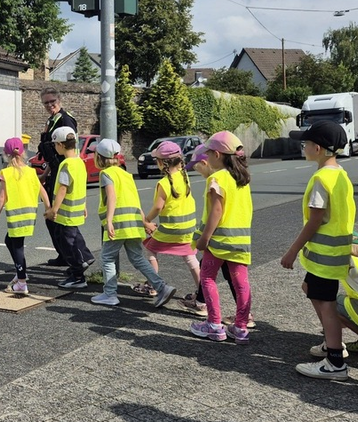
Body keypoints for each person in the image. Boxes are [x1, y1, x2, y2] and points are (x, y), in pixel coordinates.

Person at [282, 120, 355, 380]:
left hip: (324, 256)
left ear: (320, 149)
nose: (304, 146)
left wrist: (292, 251)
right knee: (312, 291)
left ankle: (335, 360)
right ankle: (331, 342)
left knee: (326, 304)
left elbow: (315, 220)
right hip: (336, 253)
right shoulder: (340, 174)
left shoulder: (321, 179)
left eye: (307, 143)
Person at [90, 138, 177, 308]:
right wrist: (144, 222)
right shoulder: (126, 174)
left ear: (99, 157)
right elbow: (135, 202)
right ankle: (161, 287)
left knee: (107, 257)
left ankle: (110, 294)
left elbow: (112, 197)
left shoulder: (106, 174)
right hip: (134, 224)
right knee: (137, 258)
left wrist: (108, 221)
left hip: (118, 223)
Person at [177, 145, 256, 329]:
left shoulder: (217, 178)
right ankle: (241, 327)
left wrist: (204, 237)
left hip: (219, 241)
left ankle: (213, 324)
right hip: (240, 241)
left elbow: (216, 210)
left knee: (207, 278)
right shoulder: (241, 178)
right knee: (241, 283)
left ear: (217, 155)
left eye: (210, 153)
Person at [0, 137, 51, 295]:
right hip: (30, 215)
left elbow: (2, 197)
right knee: (10, 241)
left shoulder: (6, 173)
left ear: (6, 154)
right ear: (23, 152)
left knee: (17, 246)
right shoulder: (31, 172)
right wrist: (48, 207)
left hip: (16, 216)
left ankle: (22, 282)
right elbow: (42, 191)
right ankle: (21, 273)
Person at [142, 141, 199, 299]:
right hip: (188, 228)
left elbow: (158, 207)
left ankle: (153, 286)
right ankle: (203, 293)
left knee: (151, 249)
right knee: (190, 257)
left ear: (161, 163)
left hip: (169, 229)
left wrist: (147, 219)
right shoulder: (184, 176)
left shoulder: (164, 183)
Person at [44, 127, 94, 289]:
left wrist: (54, 209)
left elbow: (63, 189)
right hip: (76, 209)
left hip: (65, 213)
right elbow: (80, 186)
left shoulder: (66, 165)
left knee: (67, 243)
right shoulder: (79, 162)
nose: (54, 148)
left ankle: (78, 274)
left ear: (60, 144)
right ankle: (85, 257)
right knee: (73, 236)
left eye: (54, 145)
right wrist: (84, 205)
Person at [37, 87, 80, 267]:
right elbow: (51, 152)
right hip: (55, 171)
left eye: (52, 101)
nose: (49, 105)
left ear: (59, 100)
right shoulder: (52, 120)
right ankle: (64, 255)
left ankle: (75, 257)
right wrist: (45, 174)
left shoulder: (65, 119)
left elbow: (69, 148)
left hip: (64, 172)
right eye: (46, 102)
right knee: (53, 219)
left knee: (57, 216)